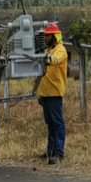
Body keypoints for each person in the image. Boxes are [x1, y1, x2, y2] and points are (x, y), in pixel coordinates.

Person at [36, 22, 68, 164]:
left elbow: (55, 60)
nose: (46, 38)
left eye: (48, 36)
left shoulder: (60, 50)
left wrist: (45, 59)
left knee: (57, 123)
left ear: (54, 36)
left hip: (55, 92)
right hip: (46, 92)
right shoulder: (48, 50)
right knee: (50, 123)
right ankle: (50, 151)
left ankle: (58, 152)